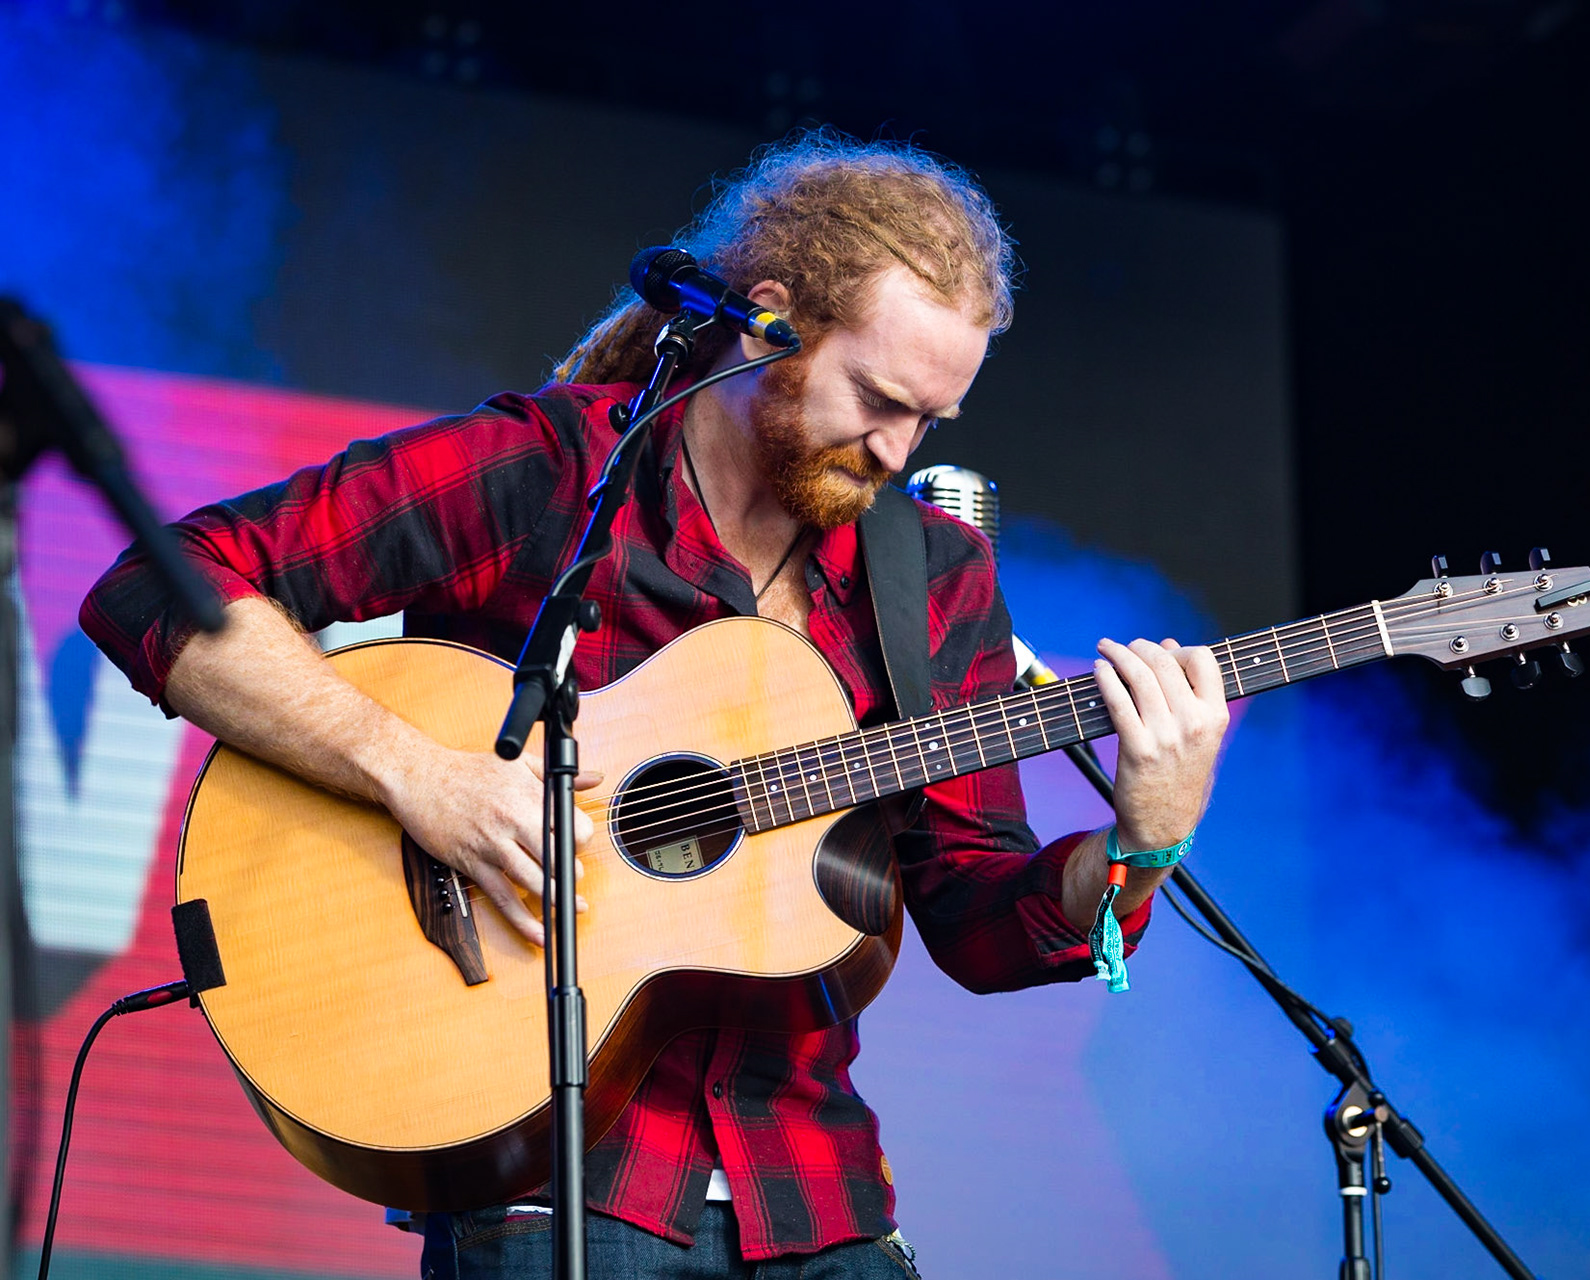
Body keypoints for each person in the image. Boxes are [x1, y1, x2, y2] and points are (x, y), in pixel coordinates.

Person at [80, 131, 1230, 1278]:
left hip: (817, 1198)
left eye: (930, 421)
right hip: (555, 1190)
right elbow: (157, 589)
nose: (897, 449)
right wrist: (420, 772)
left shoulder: (932, 574)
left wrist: (1146, 840)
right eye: (879, 399)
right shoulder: (552, 473)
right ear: (765, 320)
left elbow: (982, 923)